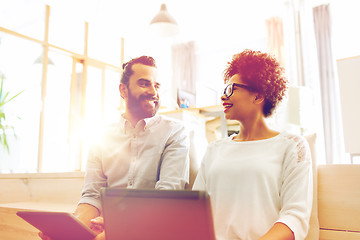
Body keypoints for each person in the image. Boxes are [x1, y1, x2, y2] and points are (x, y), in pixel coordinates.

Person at [39, 56, 190, 240]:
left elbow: (166, 197)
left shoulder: (174, 132)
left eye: (156, 86)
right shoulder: (101, 135)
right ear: (123, 90)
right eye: (144, 84)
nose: (154, 92)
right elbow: (92, 195)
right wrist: (71, 229)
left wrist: (118, 227)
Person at [192, 49, 313, 240]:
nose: (224, 96)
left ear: (258, 96)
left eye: (232, 89)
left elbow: (295, 218)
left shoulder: (292, 146)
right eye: (225, 90)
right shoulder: (214, 149)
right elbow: (194, 212)